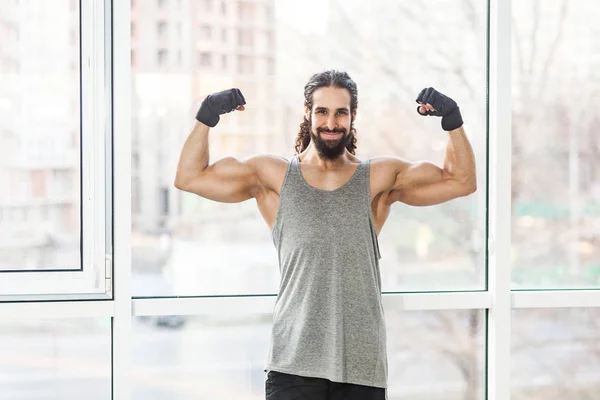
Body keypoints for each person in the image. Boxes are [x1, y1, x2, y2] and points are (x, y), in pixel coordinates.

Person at [174, 70, 477, 400]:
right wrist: (205, 116)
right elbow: (189, 177)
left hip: (362, 368)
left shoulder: (378, 178)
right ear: (308, 113)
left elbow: (460, 181)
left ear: (352, 116)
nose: (331, 123)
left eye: (340, 112)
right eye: (322, 111)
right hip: (293, 367)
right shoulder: (272, 176)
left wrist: (453, 121)